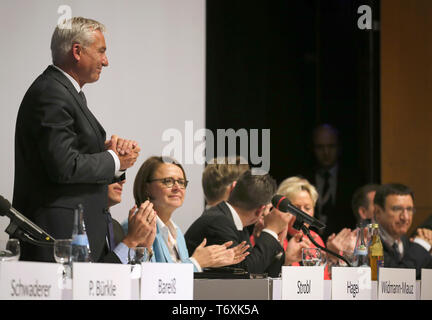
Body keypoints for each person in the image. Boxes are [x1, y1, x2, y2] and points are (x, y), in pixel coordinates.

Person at [13, 17, 140, 262]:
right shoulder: (52, 92)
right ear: (77, 51)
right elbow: (64, 166)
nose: (106, 61)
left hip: (71, 236)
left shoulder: (66, 92)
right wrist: (114, 159)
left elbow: (67, 157)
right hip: (58, 237)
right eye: (101, 51)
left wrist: (107, 152)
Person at [130, 156, 249, 271]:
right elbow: (154, 280)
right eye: (168, 181)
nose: (177, 187)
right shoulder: (137, 225)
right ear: (147, 188)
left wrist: (211, 262)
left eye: (181, 182)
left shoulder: (177, 232)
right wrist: (197, 262)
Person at [185, 170, 289, 277]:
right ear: (260, 210)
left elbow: (264, 274)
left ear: (233, 188)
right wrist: (271, 231)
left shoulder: (235, 223)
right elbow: (243, 273)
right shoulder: (219, 221)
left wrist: (273, 240)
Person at [301, 123, 363, 241]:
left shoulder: (352, 179)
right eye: (320, 147)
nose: (326, 152)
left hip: (344, 241)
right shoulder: (304, 178)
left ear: (339, 148)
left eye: (331, 146)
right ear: (313, 148)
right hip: (308, 242)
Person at [374, 183, 432, 279]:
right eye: (397, 209)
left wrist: (429, 250)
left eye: (409, 209)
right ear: (378, 212)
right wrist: (422, 245)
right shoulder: (366, 240)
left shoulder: (404, 240)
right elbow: (396, 281)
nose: (405, 217)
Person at [105, 179, 157, 264]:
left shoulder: (116, 227)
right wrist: (131, 241)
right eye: (167, 181)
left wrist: (142, 248)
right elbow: (97, 274)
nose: (123, 180)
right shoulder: (80, 225)